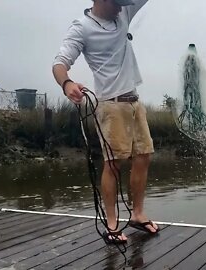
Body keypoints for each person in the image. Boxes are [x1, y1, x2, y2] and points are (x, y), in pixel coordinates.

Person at [52, 0, 158, 243]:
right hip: (110, 105)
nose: (122, 8)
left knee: (144, 156)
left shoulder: (123, 13)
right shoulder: (82, 27)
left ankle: (138, 214)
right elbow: (59, 63)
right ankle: (112, 225)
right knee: (113, 163)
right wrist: (67, 83)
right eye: (116, 3)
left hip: (134, 101)